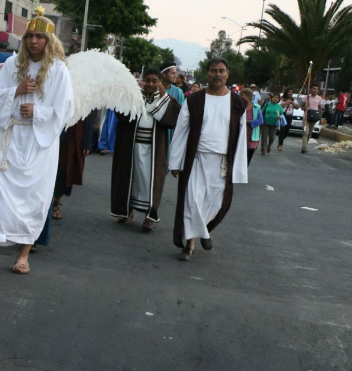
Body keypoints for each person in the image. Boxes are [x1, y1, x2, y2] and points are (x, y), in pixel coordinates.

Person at [0, 7, 74, 275]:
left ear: (49, 41)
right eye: (30, 36)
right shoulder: (12, 65)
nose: (33, 41)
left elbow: (65, 110)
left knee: (33, 197)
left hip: (39, 143)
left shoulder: (59, 71)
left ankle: (23, 256)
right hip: (8, 137)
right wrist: (17, 92)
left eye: (40, 36)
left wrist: (37, 112)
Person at [169, 58, 248, 261]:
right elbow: (181, 132)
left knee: (214, 204)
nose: (218, 75)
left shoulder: (238, 103)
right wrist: (176, 162)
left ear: (227, 74)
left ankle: (204, 231)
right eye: (214, 71)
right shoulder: (194, 100)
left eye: (222, 71)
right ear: (207, 74)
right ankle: (190, 244)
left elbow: (240, 139)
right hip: (197, 159)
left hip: (222, 163)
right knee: (192, 201)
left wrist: (238, 170)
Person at [110, 68, 182, 232]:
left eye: (154, 81)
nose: (150, 84)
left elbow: (174, 118)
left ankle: (149, 216)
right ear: (142, 81)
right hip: (133, 147)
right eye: (147, 80)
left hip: (154, 150)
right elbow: (120, 113)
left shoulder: (165, 99)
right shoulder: (134, 97)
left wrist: (164, 98)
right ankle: (127, 210)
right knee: (131, 177)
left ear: (159, 82)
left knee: (151, 182)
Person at [241, 88, 262, 165]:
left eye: (243, 95)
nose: (241, 97)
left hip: (251, 136)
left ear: (249, 96)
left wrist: (249, 122)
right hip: (240, 135)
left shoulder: (256, 107)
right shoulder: (238, 106)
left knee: (247, 159)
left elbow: (260, 121)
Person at [302, 84, 323, 153]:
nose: (315, 90)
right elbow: (302, 107)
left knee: (309, 133)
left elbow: (320, 108)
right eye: (314, 88)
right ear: (311, 89)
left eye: (316, 89)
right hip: (306, 117)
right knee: (306, 132)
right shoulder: (307, 97)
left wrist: (320, 118)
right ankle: (303, 147)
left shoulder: (319, 98)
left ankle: (305, 144)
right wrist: (305, 106)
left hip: (314, 118)